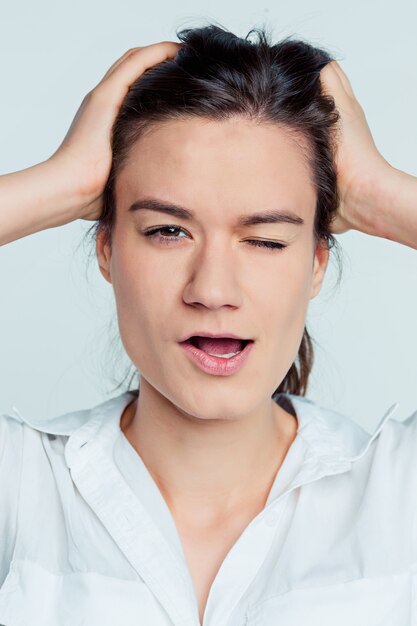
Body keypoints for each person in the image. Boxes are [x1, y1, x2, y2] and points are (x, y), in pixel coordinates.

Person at [0, 24, 416, 626]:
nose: (212, 290)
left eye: (267, 240)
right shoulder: (22, 491)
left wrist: (383, 194)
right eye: (167, 231)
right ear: (107, 250)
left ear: (317, 261)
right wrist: (59, 184)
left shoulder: (396, 495)